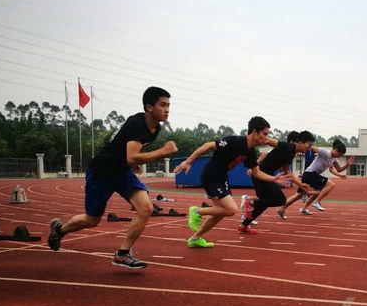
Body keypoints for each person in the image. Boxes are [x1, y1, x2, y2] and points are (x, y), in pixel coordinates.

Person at [47, 87, 178, 269]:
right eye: (163, 105)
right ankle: (59, 230)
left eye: (168, 105)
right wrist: (163, 151)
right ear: (149, 107)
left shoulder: (155, 128)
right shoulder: (137, 124)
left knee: (146, 208)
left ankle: (122, 254)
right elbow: (131, 157)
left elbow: (130, 153)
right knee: (92, 220)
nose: (167, 109)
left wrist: (134, 161)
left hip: (122, 172)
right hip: (101, 172)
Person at [174, 116, 287, 247]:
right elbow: (208, 146)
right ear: (254, 132)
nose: (267, 138)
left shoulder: (250, 152)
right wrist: (188, 161)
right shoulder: (234, 141)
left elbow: (256, 172)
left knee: (219, 213)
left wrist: (274, 179)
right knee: (231, 209)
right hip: (211, 176)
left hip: (222, 178)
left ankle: (195, 239)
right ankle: (197, 211)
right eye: (265, 134)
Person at [240, 130, 316, 231]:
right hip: (261, 176)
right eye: (308, 145)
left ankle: (244, 225)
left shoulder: (292, 153)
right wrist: (248, 142)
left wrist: (301, 184)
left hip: (266, 176)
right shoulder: (287, 146)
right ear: (300, 142)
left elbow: (287, 172)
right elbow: (267, 140)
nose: (309, 149)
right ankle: (251, 202)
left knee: (265, 202)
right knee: (279, 200)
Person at [279, 140, 354, 216]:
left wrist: (347, 165)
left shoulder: (333, 159)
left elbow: (339, 169)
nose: (339, 156)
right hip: (310, 174)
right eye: (339, 154)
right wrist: (300, 147)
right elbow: (311, 147)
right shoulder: (325, 152)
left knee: (298, 195)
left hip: (311, 175)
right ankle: (315, 201)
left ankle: (283, 209)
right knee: (331, 185)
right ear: (336, 150)